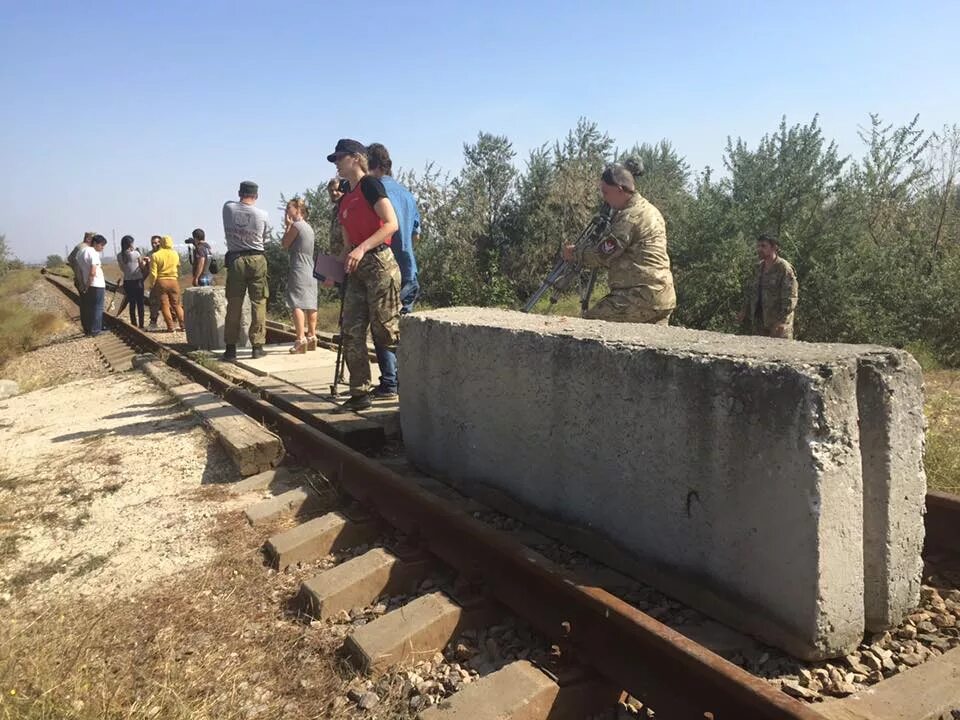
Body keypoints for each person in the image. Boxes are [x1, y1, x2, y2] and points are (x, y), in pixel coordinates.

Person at [327, 139, 401, 409]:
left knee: (386, 331)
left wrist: (361, 248)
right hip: (357, 269)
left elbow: (391, 224)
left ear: (356, 158)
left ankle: (414, 380)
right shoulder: (346, 196)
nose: (336, 163)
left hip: (380, 263)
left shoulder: (370, 185)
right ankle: (360, 393)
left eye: (340, 158)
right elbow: (347, 242)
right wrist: (339, 266)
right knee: (352, 330)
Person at [563, 160, 676, 325]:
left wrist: (574, 253)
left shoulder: (629, 217)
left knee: (589, 326)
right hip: (663, 297)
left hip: (639, 297)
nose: (604, 198)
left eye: (606, 192)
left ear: (620, 189)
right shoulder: (650, 210)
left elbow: (602, 255)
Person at [367, 143, 421, 314]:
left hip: (383, 270)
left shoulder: (373, 193)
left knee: (383, 333)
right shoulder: (407, 195)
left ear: (370, 165)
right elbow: (415, 236)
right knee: (405, 332)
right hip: (407, 271)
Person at [222, 180, 269, 360]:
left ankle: (230, 348)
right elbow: (263, 238)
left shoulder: (228, 209)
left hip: (236, 260)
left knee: (234, 304)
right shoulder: (262, 214)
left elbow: (230, 203)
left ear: (239, 193)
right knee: (259, 302)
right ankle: (257, 347)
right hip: (257, 258)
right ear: (256, 196)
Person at [737, 233, 798, 339]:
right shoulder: (758, 268)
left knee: (778, 353)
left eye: (763, 246)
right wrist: (744, 311)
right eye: (758, 246)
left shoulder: (784, 269)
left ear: (774, 248)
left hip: (777, 324)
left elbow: (790, 298)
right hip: (759, 322)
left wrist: (781, 321)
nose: (759, 249)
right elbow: (751, 292)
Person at [281, 198, 319, 353]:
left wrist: (288, 226)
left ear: (297, 209)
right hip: (311, 268)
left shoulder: (296, 226)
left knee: (297, 303)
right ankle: (312, 336)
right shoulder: (309, 228)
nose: (286, 211)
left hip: (299, 267)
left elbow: (285, 244)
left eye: (289, 208)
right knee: (311, 302)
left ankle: (300, 338)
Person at [149, 235, 185, 332]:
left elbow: (153, 273)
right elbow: (178, 265)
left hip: (161, 282)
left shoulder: (155, 255)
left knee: (165, 305)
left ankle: (170, 327)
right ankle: (183, 325)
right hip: (173, 280)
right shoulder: (175, 254)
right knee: (177, 304)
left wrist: (151, 284)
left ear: (161, 243)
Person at [77, 234, 108, 336]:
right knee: (98, 307)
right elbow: (93, 272)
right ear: (95, 243)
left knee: (88, 307)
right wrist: (88, 284)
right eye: (102, 245)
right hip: (96, 284)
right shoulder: (93, 253)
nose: (102, 247)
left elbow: (79, 271)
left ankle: (88, 329)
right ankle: (96, 330)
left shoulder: (81, 252)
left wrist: (84, 284)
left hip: (88, 283)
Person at [117, 235, 145, 328]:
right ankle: (141, 325)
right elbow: (141, 266)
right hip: (138, 280)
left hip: (127, 281)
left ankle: (134, 323)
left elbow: (122, 268)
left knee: (132, 303)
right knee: (140, 303)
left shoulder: (119, 255)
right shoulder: (136, 254)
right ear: (130, 244)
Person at [145, 235, 163, 330]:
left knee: (167, 302)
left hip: (163, 280)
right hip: (154, 281)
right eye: (152, 243)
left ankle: (175, 320)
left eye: (156, 242)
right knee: (153, 302)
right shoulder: (150, 254)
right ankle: (153, 321)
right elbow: (148, 270)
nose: (154, 245)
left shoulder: (164, 253)